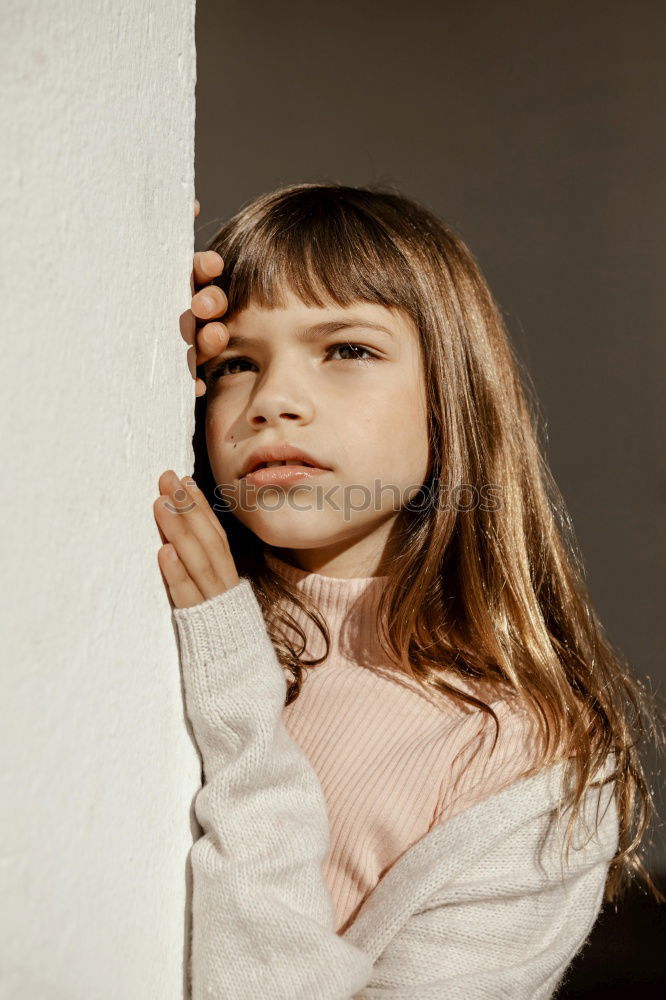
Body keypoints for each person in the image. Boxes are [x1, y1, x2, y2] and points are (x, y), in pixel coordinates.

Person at [152, 184, 663, 999]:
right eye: (235, 364)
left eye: (346, 350)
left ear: (450, 394)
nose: (274, 402)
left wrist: (240, 712)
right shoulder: (149, 593)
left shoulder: (524, 759)